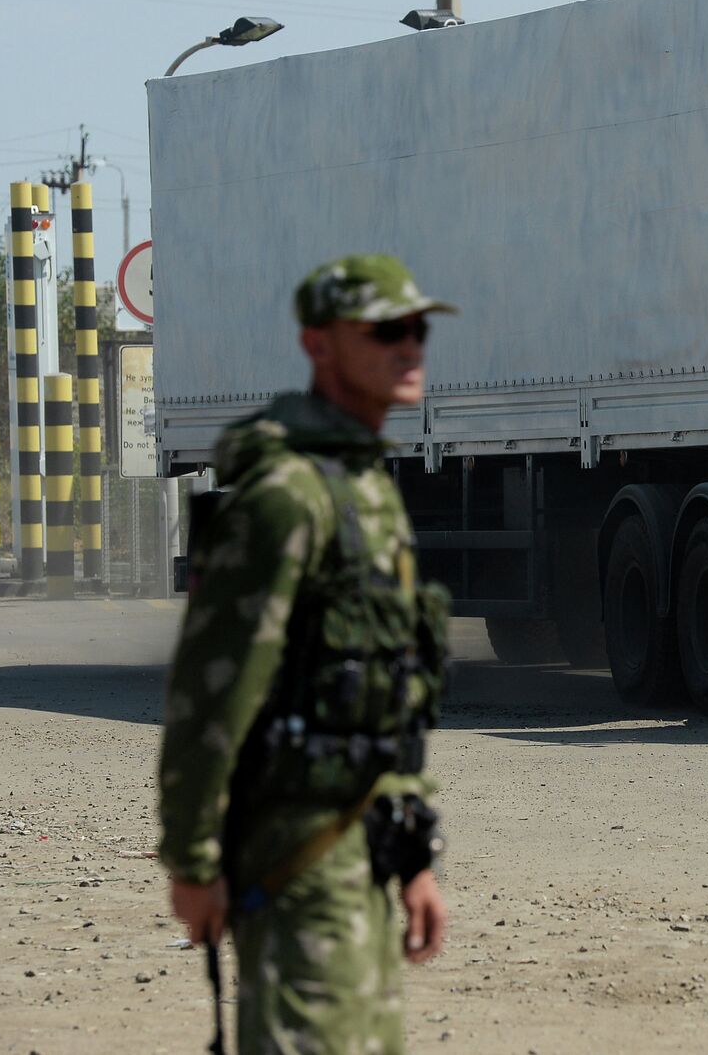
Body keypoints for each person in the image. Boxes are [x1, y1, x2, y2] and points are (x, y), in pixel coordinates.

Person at [158, 253, 457, 1055]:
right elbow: (211, 691)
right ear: (319, 345)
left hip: (361, 850)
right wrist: (191, 858)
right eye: (386, 330)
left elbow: (387, 688)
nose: (411, 347)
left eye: (418, 329)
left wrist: (413, 857)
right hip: (294, 851)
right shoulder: (286, 495)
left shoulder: (366, 486)